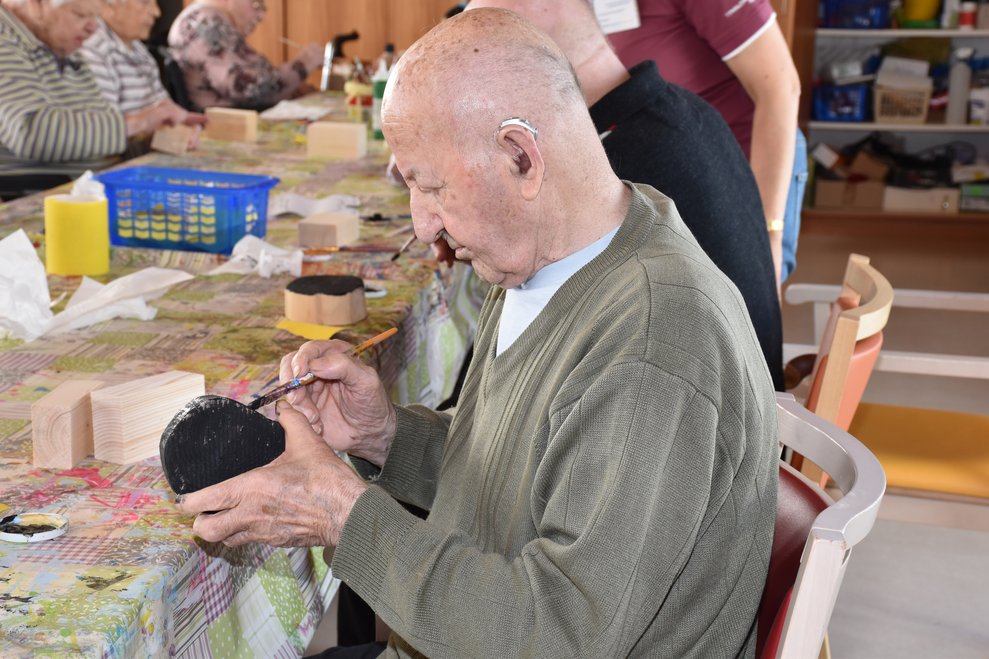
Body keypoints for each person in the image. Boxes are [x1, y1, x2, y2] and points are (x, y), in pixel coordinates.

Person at [177, 8, 779, 658]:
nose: (423, 225)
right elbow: (531, 481)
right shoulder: (555, 255)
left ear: (521, 157)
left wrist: (343, 516)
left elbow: (557, 636)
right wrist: (386, 436)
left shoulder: (651, 350)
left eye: (431, 186)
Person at [467, 0, 783, 391]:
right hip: (751, 393)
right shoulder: (684, 109)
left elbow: (524, 361)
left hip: (705, 410)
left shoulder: (609, 167)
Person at [605, 0, 806, 285]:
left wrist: (767, 233)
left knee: (743, 300)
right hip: (671, 171)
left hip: (745, 167)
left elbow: (781, 88)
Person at [0, 0, 189, 200]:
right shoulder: (6, 39)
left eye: (95, 17)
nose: (93, 28)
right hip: (45, 198)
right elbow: (29, 132)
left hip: (91, 190)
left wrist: (152, 137)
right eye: (81, 15)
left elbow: (99, 133)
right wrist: (139, 122)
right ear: (36, 4)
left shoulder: (61, 44)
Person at [167, 0, 323, 111]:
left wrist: (291, 88)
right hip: (226, 129)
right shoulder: (206, 23)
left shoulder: (207, 19)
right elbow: (251, 89)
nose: (261, 16)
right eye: (256, 4)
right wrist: (303, 64)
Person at [78, 0, 204, 128]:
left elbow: (165, 110)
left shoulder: (139, 50)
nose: (156, 12)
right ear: (110, 6)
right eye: (145, 2)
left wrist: (180, 122)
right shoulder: (93, 51)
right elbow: (103, 130)